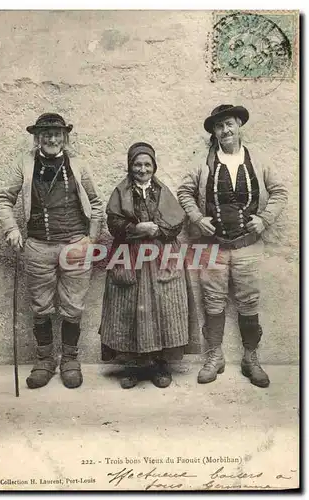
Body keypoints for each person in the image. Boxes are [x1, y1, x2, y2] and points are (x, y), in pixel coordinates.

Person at [177, 105, 288, 388]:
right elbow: (184, 191)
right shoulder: (203, 162)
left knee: (248, 301)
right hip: (212, 247)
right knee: (212, 301)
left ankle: (251, 358)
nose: (224, 131)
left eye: (228, 124)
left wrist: (264, 219)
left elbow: (280, 191)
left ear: (239, 125)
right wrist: (197, 217)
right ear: (214, 132)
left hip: (247, 246)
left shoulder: (258, 160)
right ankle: (214, 357)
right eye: (218, 127)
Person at [0, 113, 103, 389]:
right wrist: (12, 230)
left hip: (75, 245)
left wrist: (91, 238)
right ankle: (44, 361)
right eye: (46, 134)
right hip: (38, 247)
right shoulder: (25, 165)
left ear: (65, 137)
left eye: (57, 134)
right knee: (40, 306)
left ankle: (69, 360)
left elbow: (96, 203)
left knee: (73, 306)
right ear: (37, 138)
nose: (52, 139)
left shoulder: (77, 165)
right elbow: (3, 199)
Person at [99, 142, 199, 389]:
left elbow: (176, 222)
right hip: (130, 254)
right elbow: (113, 222)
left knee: (165, 308)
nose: (142, 169)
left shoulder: (163, 191)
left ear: (154, 166)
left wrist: (157, 229)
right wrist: (135, 229)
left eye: (147, 164)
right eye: (137, 164)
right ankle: (133, 366)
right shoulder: (120, 192)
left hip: (162, 254)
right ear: (130, 167)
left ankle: (159, 365)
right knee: (128, 309)